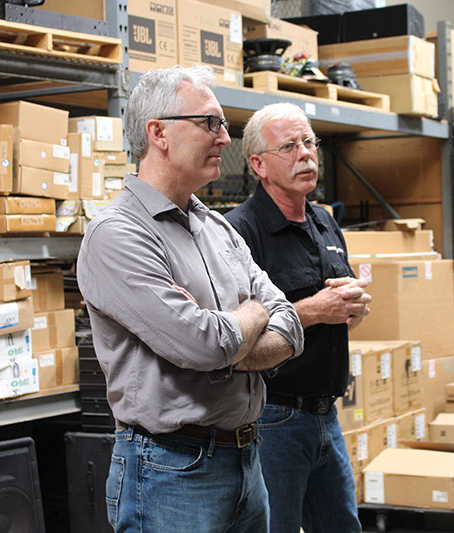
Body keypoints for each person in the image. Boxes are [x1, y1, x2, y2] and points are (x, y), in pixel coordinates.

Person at [76, 65, 304, 533]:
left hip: (246, 459)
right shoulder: (117, 234)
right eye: (210, 123)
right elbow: (203, 344)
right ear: (157, 132)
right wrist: (252, 312)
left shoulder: (216, 228)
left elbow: (291, 324)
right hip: (170, 470)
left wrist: (230, 336)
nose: (225, 139)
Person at [225, 102, 371, 533]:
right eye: (289, 146)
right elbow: (235, 333)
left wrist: (352, 309)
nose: (305, 154)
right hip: (275, 418)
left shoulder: (324, 222)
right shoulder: (239, 232)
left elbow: (337, 318)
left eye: (309, 142)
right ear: (258, 164)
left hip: (327, 415)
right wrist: (312, 311)